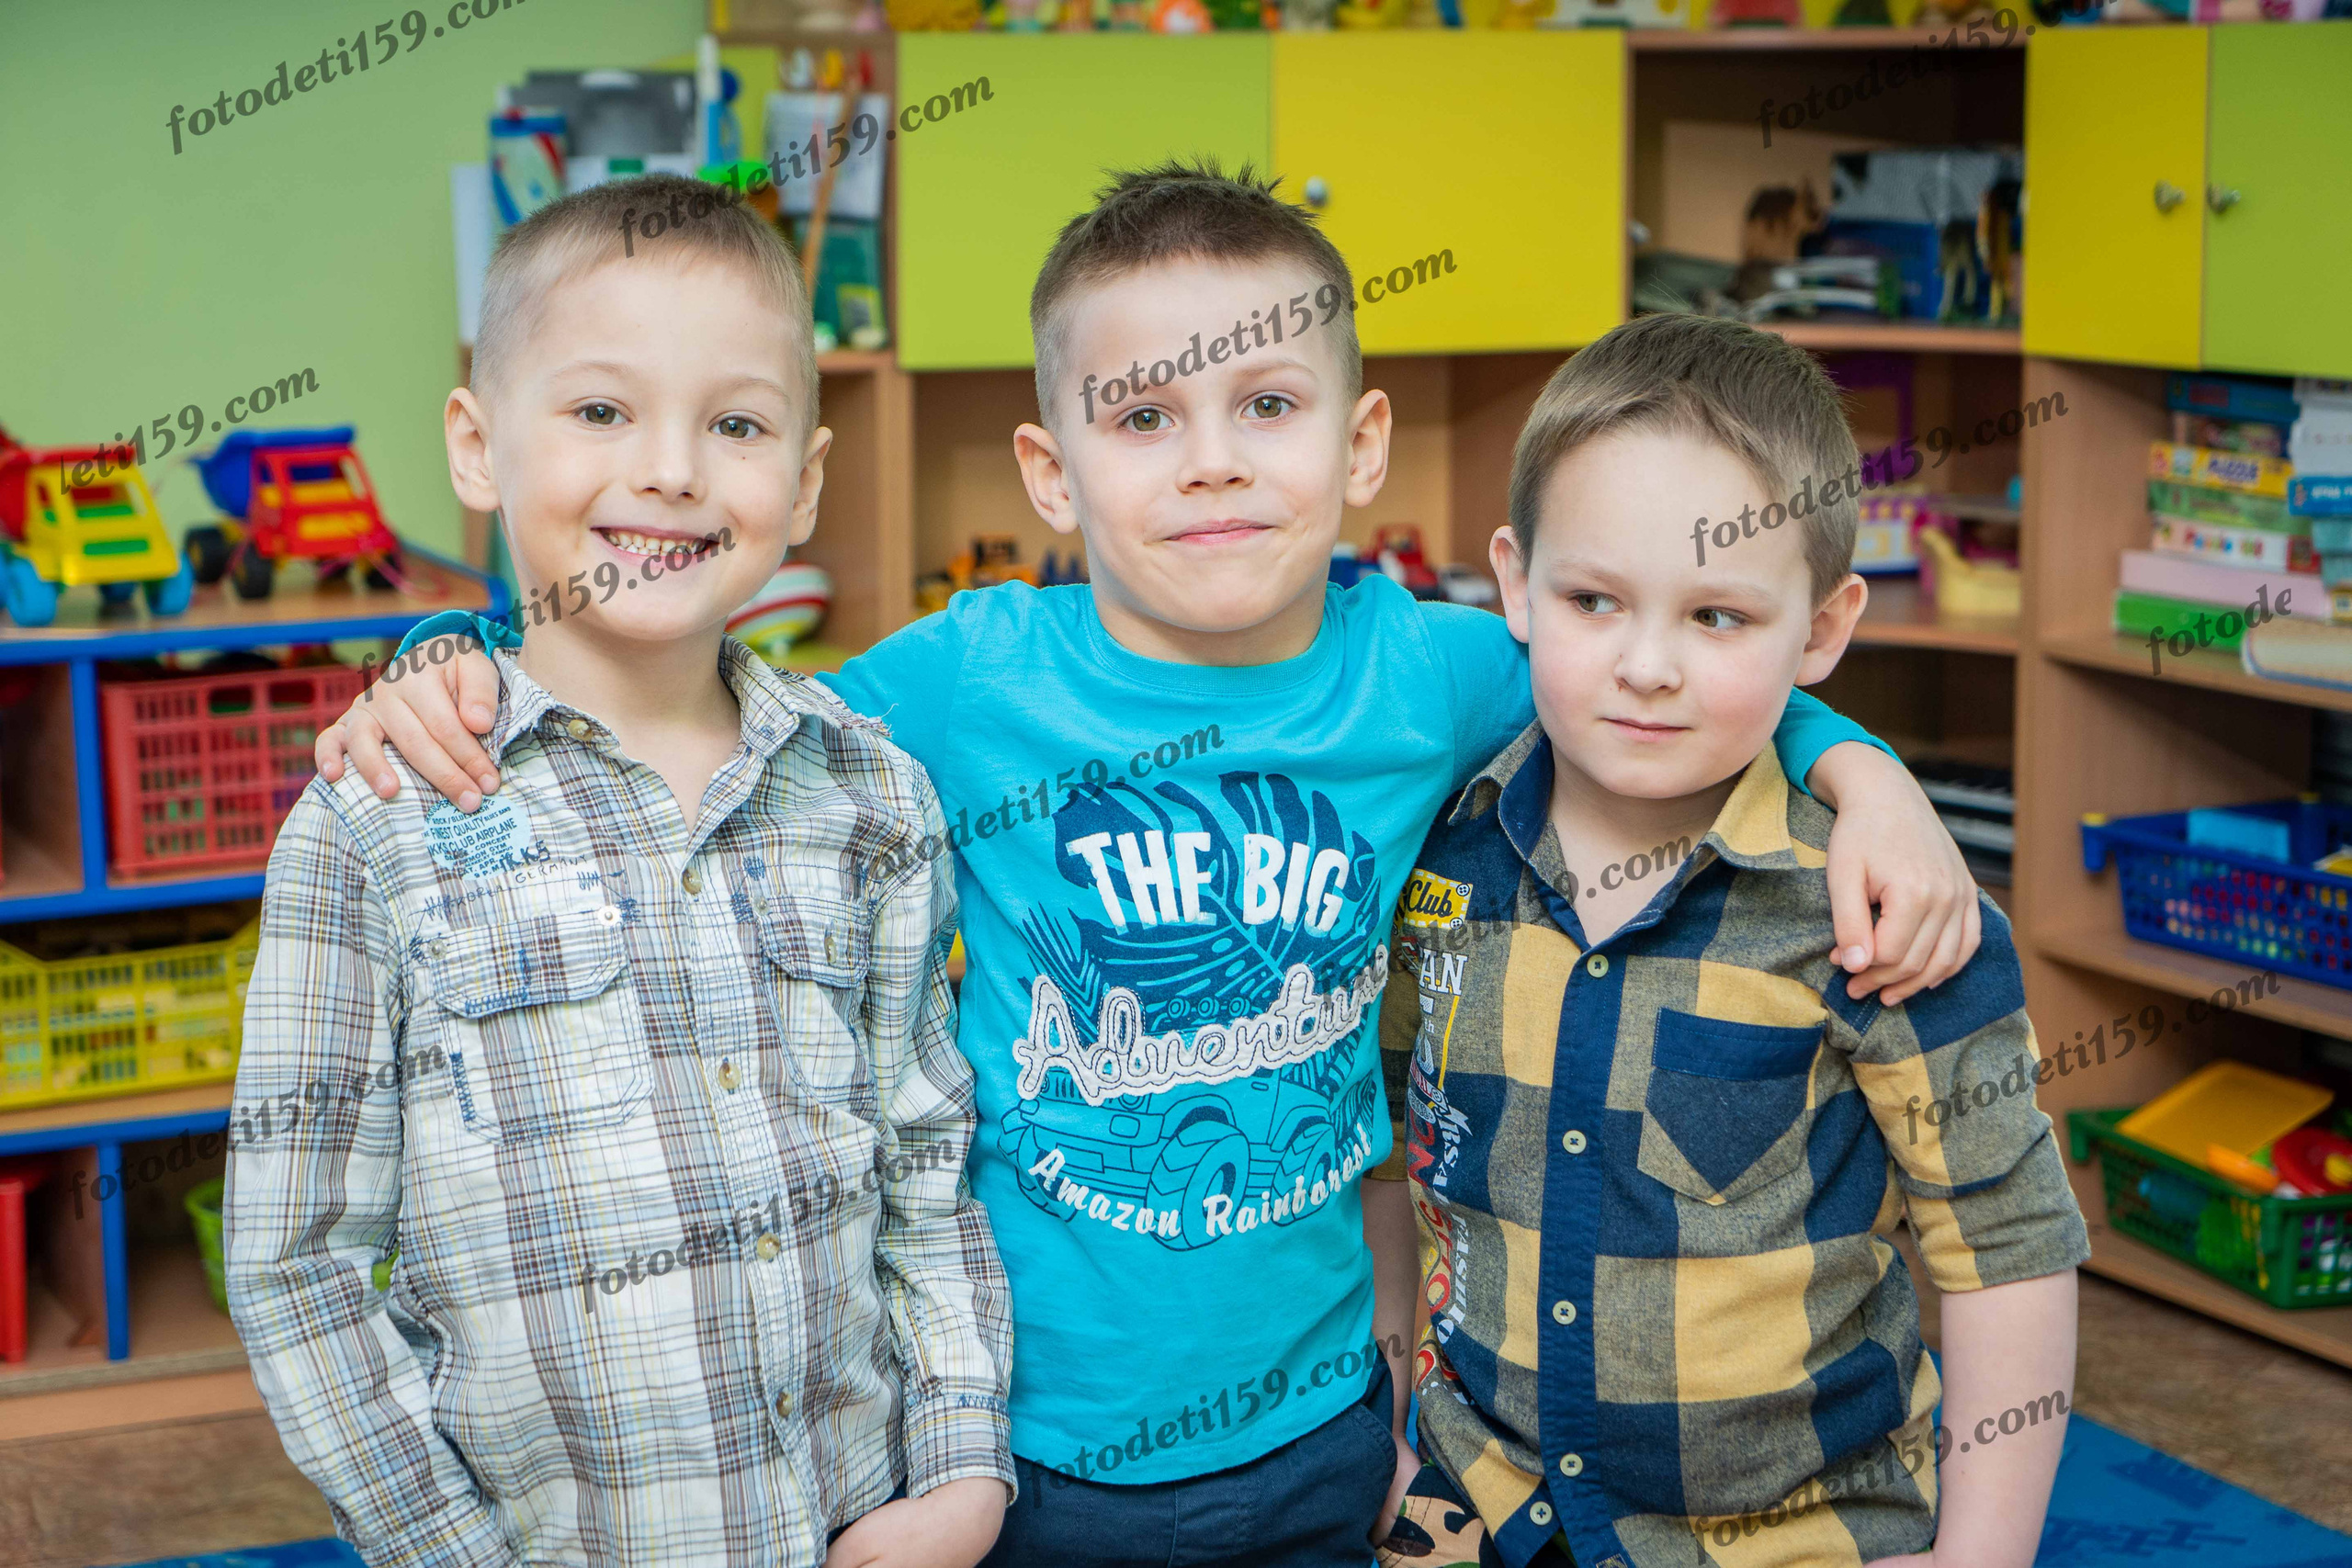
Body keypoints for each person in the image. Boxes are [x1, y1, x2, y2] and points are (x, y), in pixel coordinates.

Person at [314, 163, 1984, 1567]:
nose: (1211, 459)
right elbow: (685, 686)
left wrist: (1867, 770)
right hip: (1024, 1438)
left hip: (1334, 1419)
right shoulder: (966, 682)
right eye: (1144, 417)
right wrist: (448, 656)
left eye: (1267, 406)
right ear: (1052, 470)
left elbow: (1674, 693)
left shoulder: (1434, 671)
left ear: (1361, 444)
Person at [224, 175, 1013, 1568]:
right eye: (601, 411)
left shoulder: (873, 796)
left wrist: (960, 1474)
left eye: (737, 424)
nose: (671, 470)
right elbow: (300, 1269)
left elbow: (927, 1171)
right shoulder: (373, 820)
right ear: (478, 445)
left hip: (859, 1524)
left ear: (808, 481)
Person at [1372, 313, 2086, 1568]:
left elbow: (2009, 1249)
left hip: (1795, 1532)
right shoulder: (1440, 858)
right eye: (1595, 599)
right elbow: (1389, 1159)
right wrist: (1389, 1433)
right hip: (1476, 1500)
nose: (1647, 665)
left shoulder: (1883, 910)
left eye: (1716, 618)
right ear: (1516, 585)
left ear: (1821, 629)